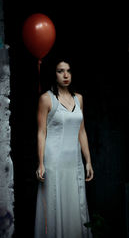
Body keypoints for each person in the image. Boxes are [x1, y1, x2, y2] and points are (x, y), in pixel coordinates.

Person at [34, 57, 94, 238]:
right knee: (55, 204)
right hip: (54, 161)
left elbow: (81, 131)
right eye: (60, 71)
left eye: (68, 71)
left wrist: (88, 161)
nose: (65, 75)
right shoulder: (46, 99)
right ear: (54, 74)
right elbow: (41, 133)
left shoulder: (79, 99)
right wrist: (41, 163)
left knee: (75, 204)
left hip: (73, 161)